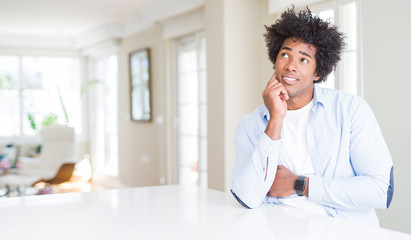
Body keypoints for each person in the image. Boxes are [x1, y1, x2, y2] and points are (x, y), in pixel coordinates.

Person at [230, 7, 393, 227]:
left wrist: (300, 184)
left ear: (318, 72)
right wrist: (275, 120)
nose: (290, 66)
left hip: (342, 231)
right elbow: (247, 196)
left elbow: (380, 190)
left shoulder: (351, 110)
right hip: (279, 229)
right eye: (285, 54)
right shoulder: (251, 124)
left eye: (304, 59)